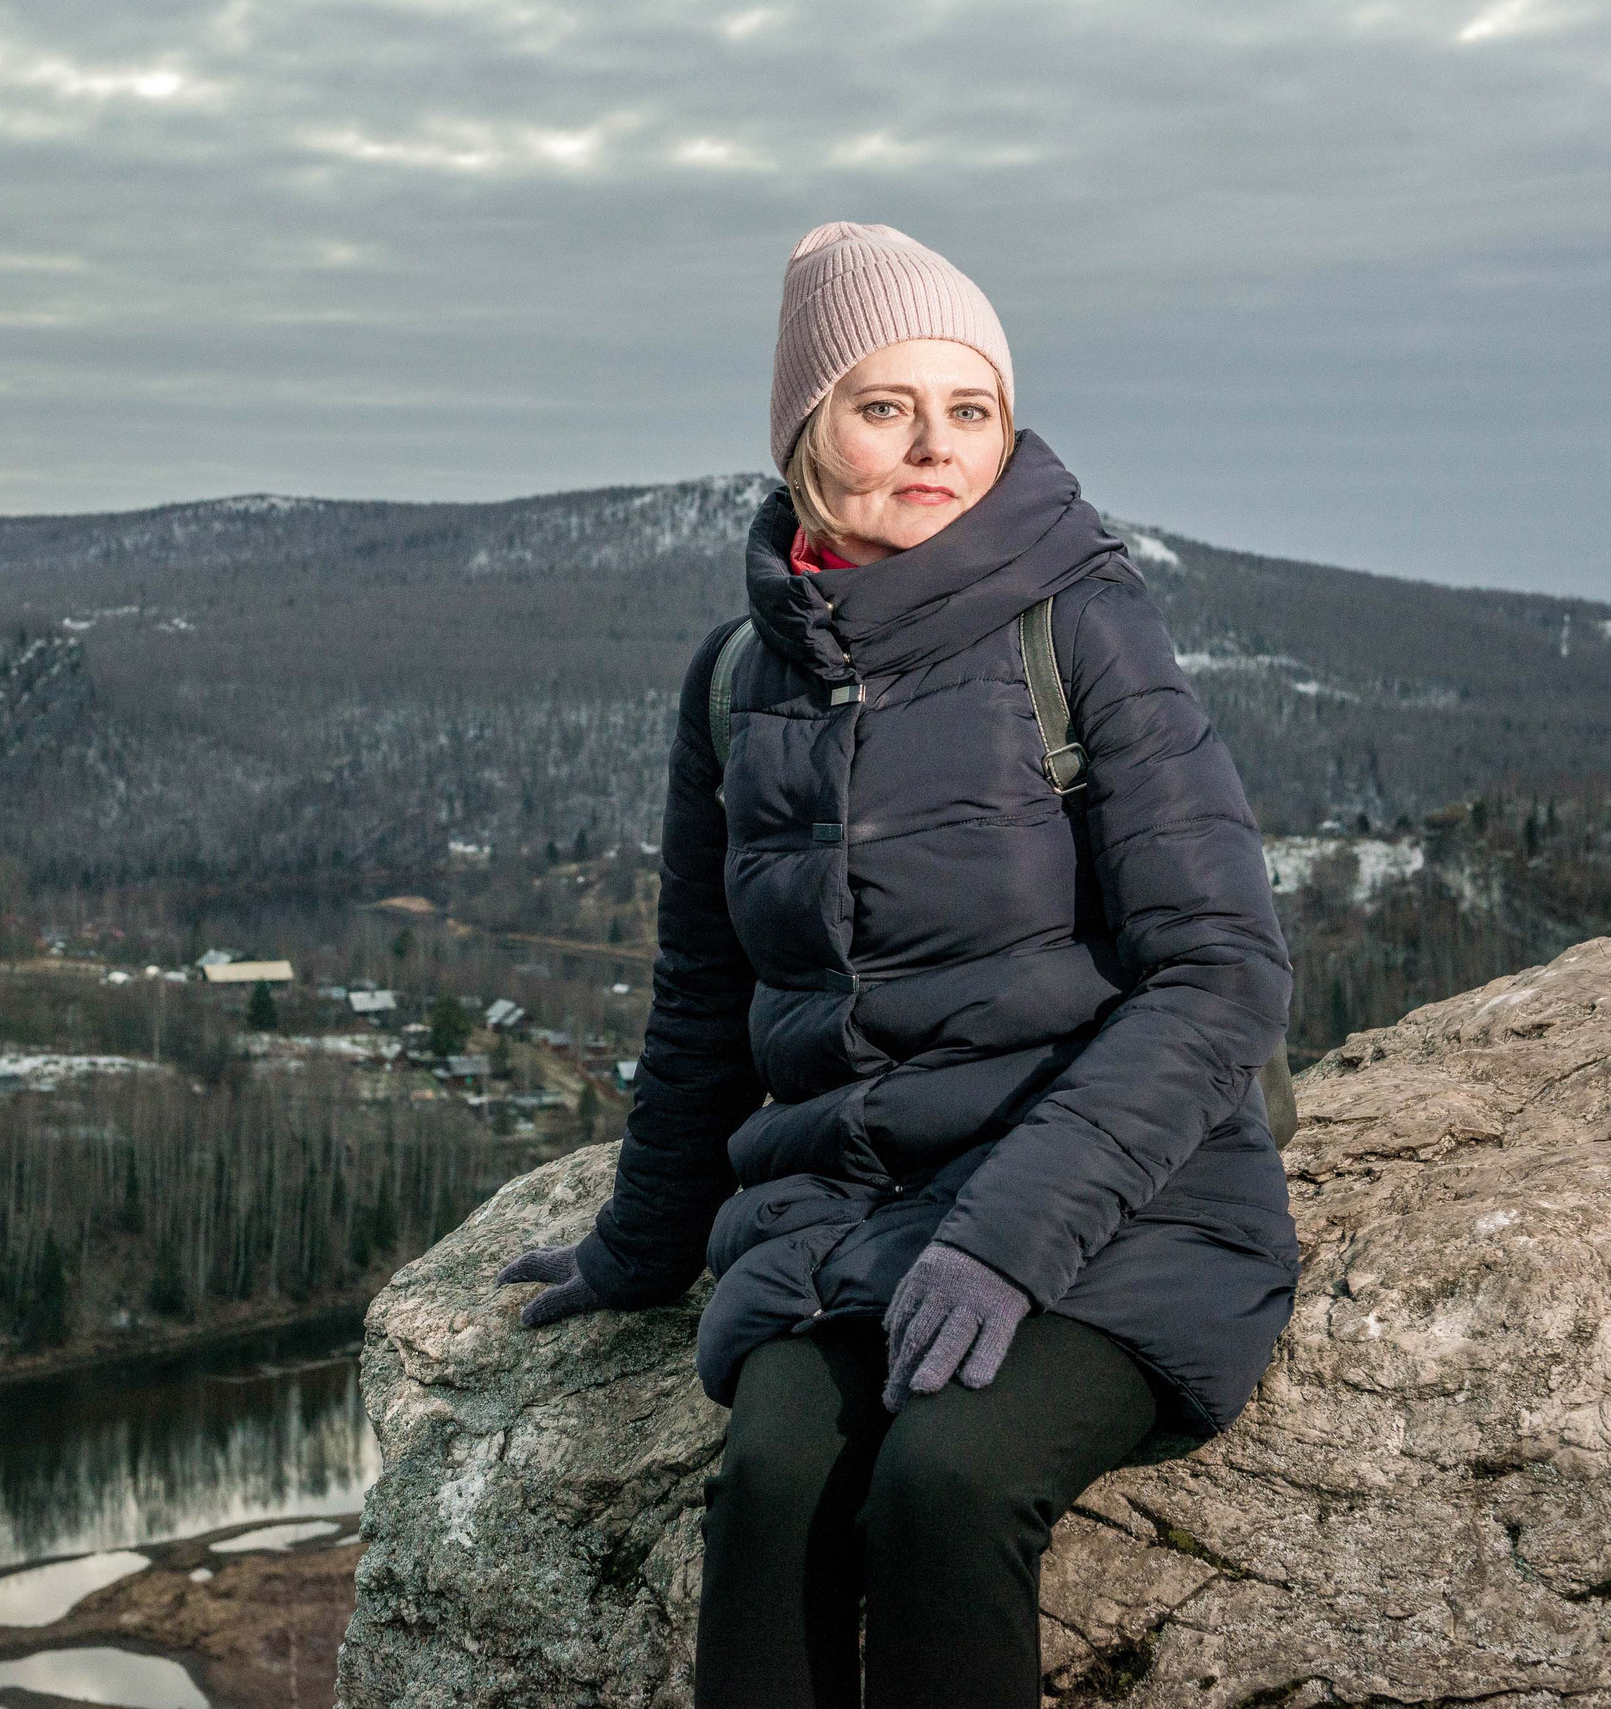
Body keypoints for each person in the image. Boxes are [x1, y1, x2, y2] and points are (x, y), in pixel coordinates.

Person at [494, 222, 1297, 1709]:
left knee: (944, 1480)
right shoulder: (739, 681)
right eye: (885, 405)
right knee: (775, 1485)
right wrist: (640, 1246)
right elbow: (705, 998)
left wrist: (1006, 1236)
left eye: (971, 407)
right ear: (808, 430)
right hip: (848, 1213)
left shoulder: (1079, 624)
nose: (936, 443)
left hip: (1118, 1201)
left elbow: (1223, 974)